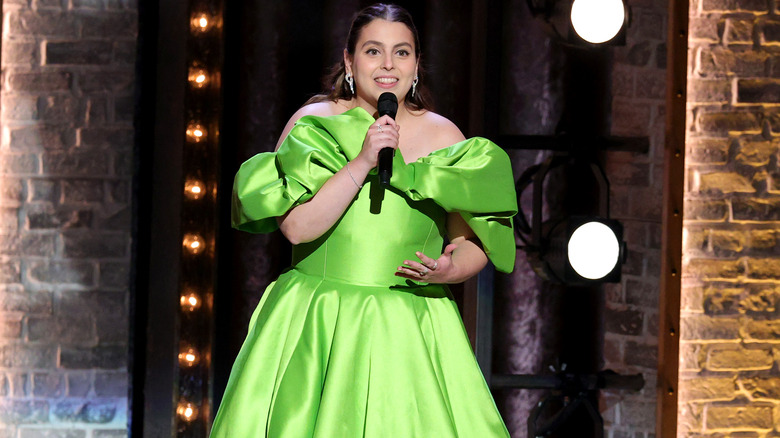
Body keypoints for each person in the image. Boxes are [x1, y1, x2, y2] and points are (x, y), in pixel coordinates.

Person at [210, 4, 517, 437]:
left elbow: (471, 245)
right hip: (319, 316)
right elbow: (296, 227)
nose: (389, 65)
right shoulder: (313, 124)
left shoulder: (446, 137)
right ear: (350, 61)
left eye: (403, 52)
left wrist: (451, 268)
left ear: (417, 64)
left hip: (409, 322)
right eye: (374, 51)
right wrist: (363, 160)